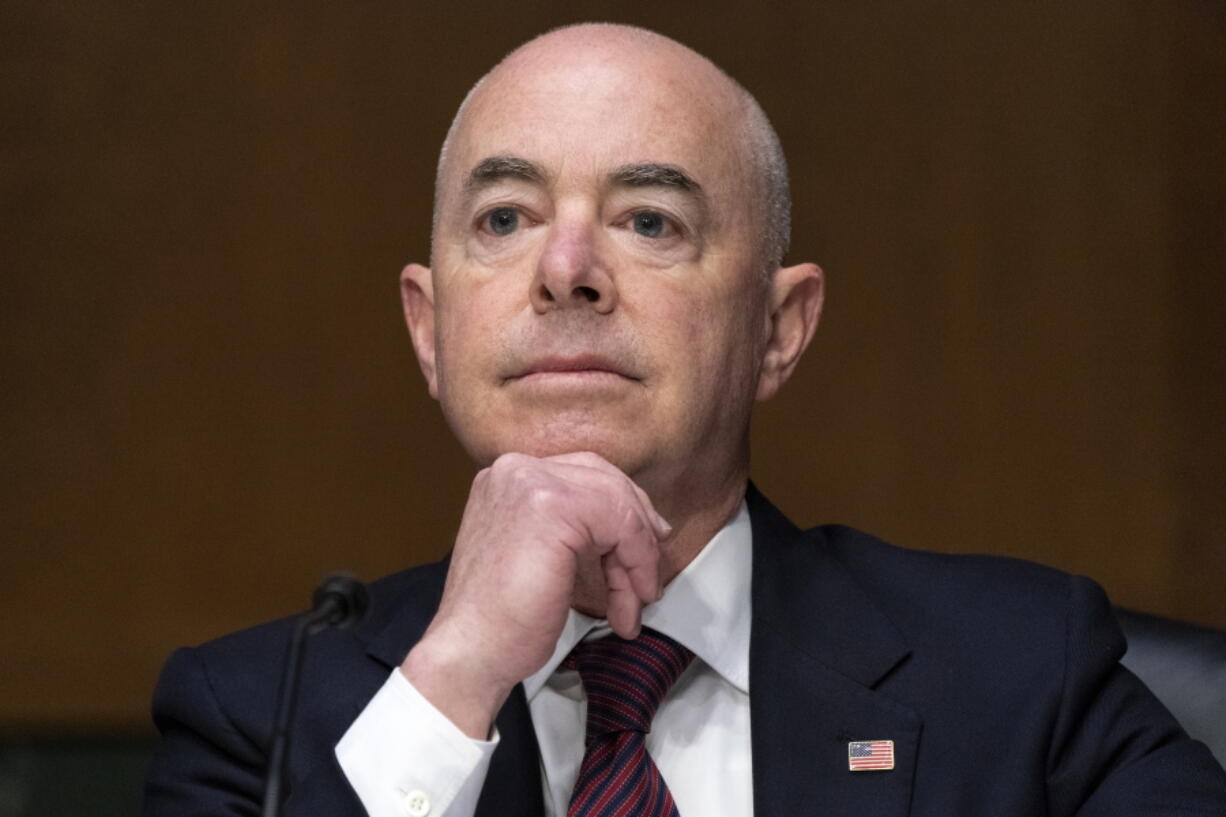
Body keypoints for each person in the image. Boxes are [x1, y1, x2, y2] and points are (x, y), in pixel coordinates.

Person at [143, 22, 1226, 817]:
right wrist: (454, 679)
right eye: (505, 218)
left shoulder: (1018, 674)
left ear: (777, 328)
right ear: (429, 329)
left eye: (648, 220)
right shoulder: (250, 718)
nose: (565, 269)